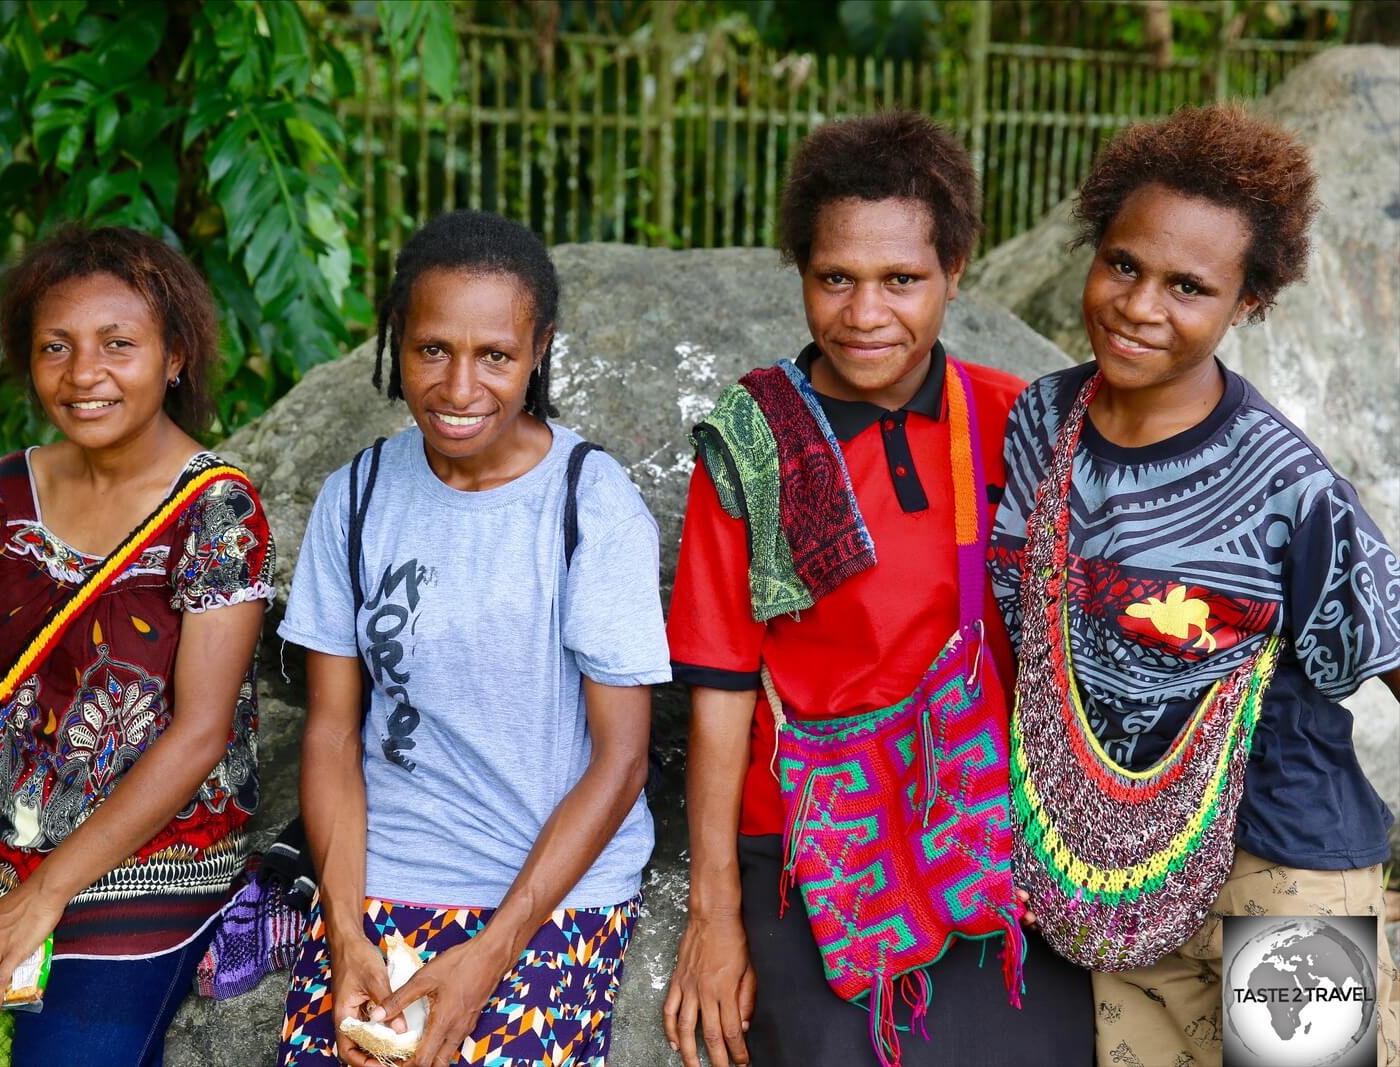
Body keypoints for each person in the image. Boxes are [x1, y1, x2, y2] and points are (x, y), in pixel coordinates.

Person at [662, 112, 1093, 1067]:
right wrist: (716, 911)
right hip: (812, 850)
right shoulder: (754, 441)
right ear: (802, 271)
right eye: (835, 279)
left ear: (957, 268)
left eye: (902, 279)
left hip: (990, 833)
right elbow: (724, 689)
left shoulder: (1012, 419)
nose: (865, 314)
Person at [990, 104, 1400, 1067]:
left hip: (1286, 858)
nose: (1140, 305)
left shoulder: (1284, 485)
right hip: (1118, 869)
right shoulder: (1041, 423)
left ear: (1245, 302)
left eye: (1189, 286)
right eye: (1125, 264)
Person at [0, 225, 276, 1065]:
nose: (84, 375)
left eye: (118, 344)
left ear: (174, 356)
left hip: (147, 863)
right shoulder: (3, 491)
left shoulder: (218, 511)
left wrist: (46, 894)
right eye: (55, 347)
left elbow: (200, 732)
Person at [276, 210, 670, 1067]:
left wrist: (492, 953)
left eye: (494, 354)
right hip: (378, 885)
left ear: (539, 351)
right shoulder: (357, 498)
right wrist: (345, 934)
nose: (460, 387)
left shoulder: (588, 504)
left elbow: (622, 762)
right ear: (396, 343)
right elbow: (334, 731)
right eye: (431, 350)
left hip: (545, 898)